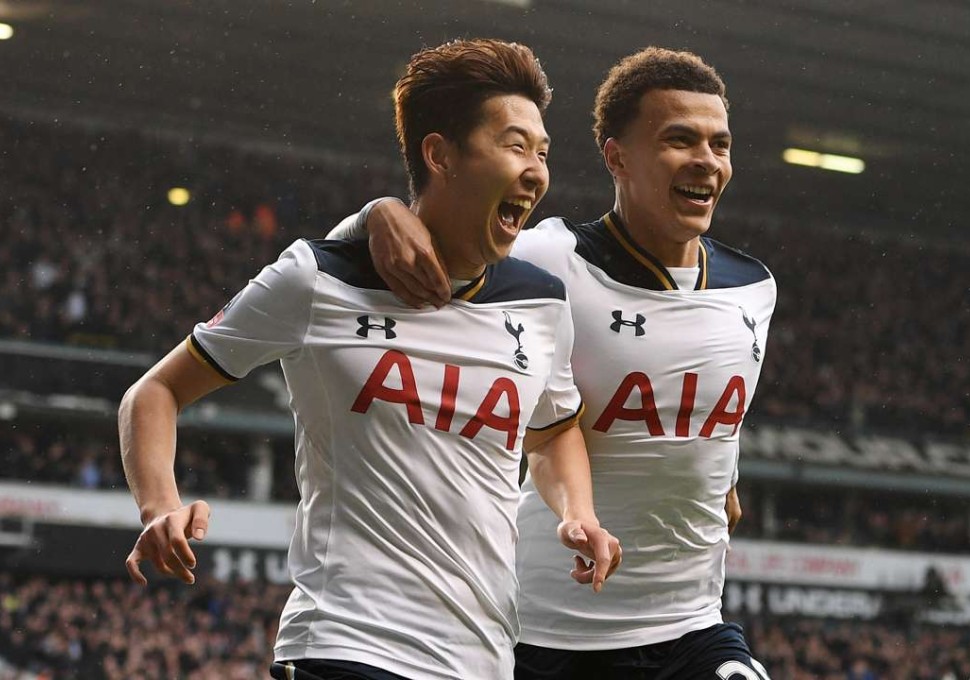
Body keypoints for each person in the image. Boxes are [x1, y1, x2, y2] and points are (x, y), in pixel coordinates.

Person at [120, 38, 621, 680]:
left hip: (484, 657)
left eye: (543, 153)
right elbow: (154, 393)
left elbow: (553, 434)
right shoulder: (317, 278)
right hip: (346, 644)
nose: (537, 172)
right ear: (440, 155)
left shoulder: (542, 302)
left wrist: (578, 513)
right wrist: (160, 505)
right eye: (516, 146)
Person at [330, 47, 775, 679]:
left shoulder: (754, 288)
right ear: (615, 154)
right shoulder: (546, 259)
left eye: (720, 144)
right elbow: (358, 254)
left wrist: (722, 479)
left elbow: (709, 417)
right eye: (680, 140)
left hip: (691, 626)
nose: (706, 160)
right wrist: (378, 214)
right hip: (546, 633)